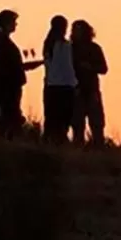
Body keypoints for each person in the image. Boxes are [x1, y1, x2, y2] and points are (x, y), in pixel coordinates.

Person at [0, 9, 43, 137]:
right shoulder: (4, 44)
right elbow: (12, 67)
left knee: (10, 115)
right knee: (10, 116)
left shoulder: (2, 42)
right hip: (9, 86)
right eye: (14, 22)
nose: (16, 25)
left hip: (9, 85)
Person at [71, 19, 109, 148]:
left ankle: (99, 149)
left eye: (78, 30)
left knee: (97, 124)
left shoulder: (94, 48)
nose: (75, 33)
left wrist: (90, 67)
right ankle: (79, 149)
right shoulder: (70, 48)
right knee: (77, 124)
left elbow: (104, 69)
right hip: (76, 91)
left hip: (92, 90)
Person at [41, 15, 77, 144]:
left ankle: (55, 141)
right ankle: (55, 141)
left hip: (57, 85)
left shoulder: (51, 44)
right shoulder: (60, 45)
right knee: (58, 118)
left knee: (56, 118)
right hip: (61, 86)